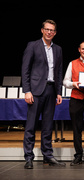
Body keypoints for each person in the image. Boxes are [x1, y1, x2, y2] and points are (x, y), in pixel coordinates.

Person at [21, 19, 65, 169]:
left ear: (55, 33)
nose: (49, 32)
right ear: (42, 30)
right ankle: (28, 157)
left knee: (47, 126)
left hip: (51, 90)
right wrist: (27, 90)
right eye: (47, 29)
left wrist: (59, 92)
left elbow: (59, 72)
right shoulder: (32, 46)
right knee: (31, 125)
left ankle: (48, 155)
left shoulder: (58, 49)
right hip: (35, 91)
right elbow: (25, 69)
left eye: (52, 30)